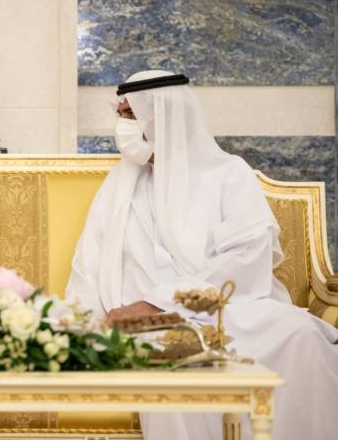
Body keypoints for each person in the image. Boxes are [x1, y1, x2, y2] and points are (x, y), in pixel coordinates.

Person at [66, 70, 338, 439]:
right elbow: (89, 264)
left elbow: (246, 257)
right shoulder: (119, 186)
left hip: (230, 310)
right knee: (173, 360)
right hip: (149, 327)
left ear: (163, 119)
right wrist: (81, 328)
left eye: (130, 115)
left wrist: (160, 301)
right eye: (121, 115)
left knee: (302, 333)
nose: (121, 125)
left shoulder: (229, 174)